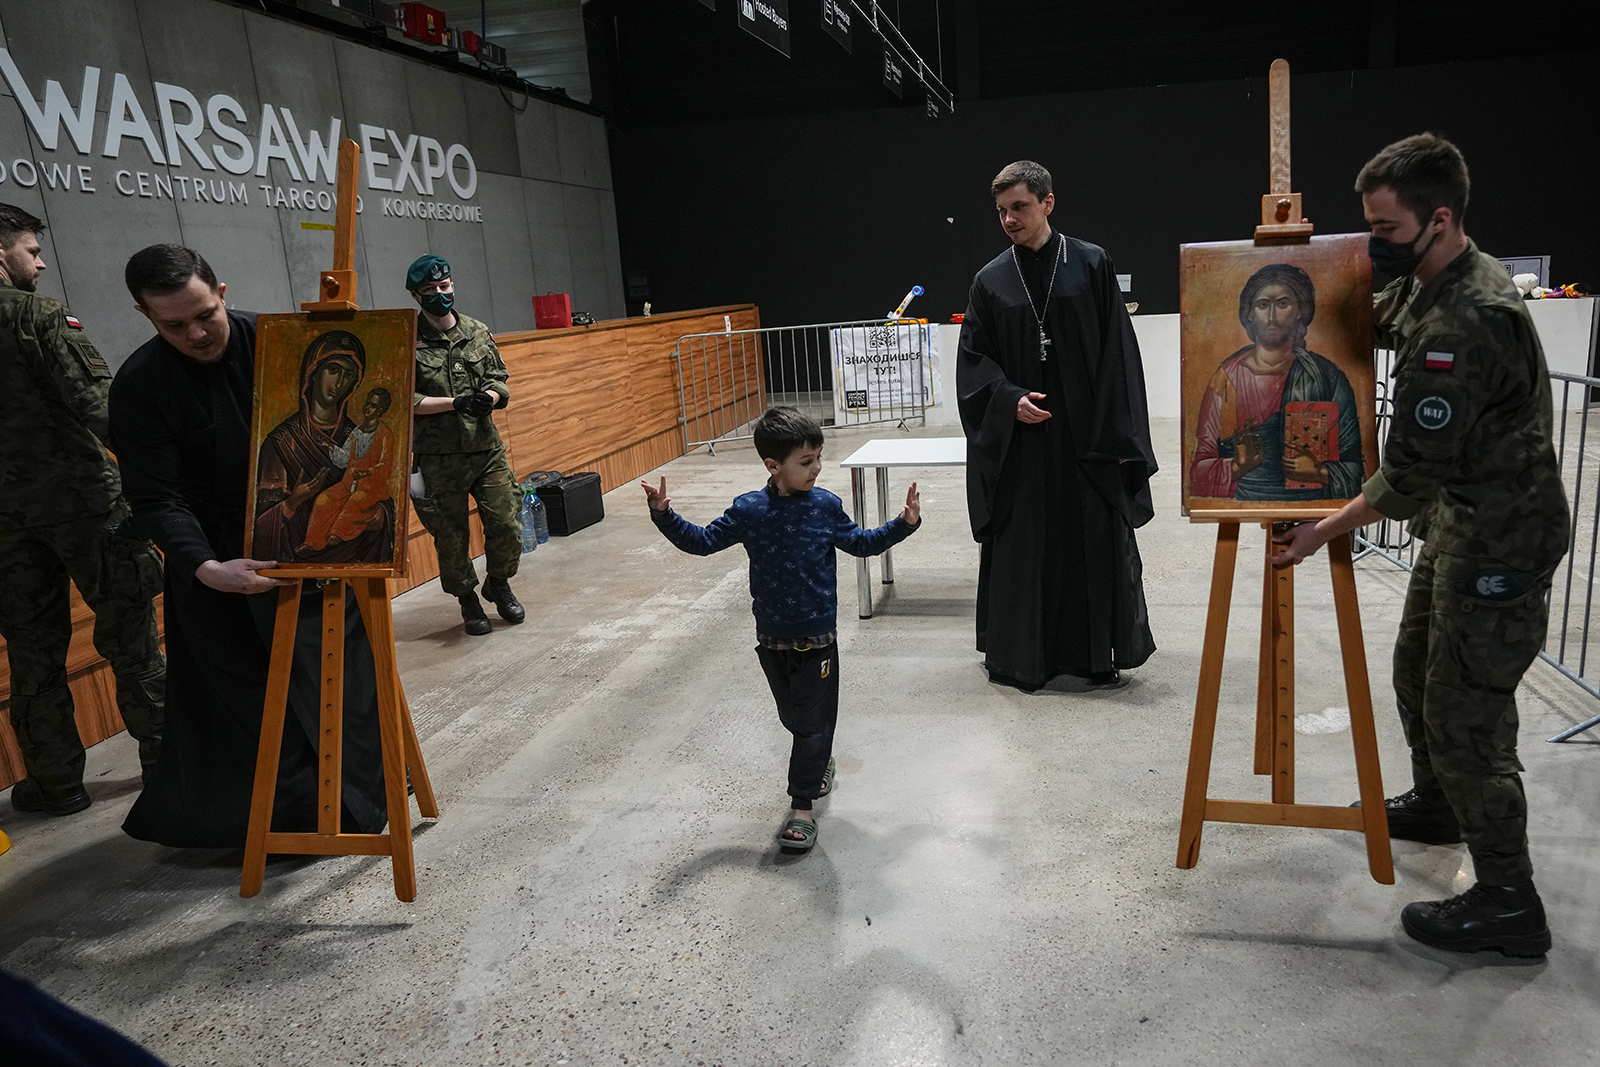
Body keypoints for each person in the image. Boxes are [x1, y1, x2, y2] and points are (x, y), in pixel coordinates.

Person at [1270, 134, 1569, 957]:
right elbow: (1371, 314)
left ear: (1440, 219)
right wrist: (1309, 263)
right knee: (1415, 671)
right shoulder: (1433, 284)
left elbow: (1406, 473)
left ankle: (1510, 901)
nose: (1376, 242)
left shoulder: (1467, 318)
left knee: (1468, 715)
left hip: (1501, 536)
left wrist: (1316, 534)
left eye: (1384, 228)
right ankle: (1439, 805)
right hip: (1462, 522)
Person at [109, 244, 388, 848]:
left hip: (313, 545)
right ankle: (277, 823)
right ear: (145, 316)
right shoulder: (140, 385)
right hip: (216, 559)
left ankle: (362, 797)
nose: (196, 333)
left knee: (339, 680)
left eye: (204, 314)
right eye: (174, 325)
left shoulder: (285, 349)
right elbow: (156, 497)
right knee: (243, 698)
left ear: (223, 292)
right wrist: (205, 567)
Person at [641, 407, 920, 850]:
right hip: (771, 638)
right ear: (773, 466)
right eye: (805, 461)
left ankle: (801, 808)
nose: (816, 468)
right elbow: (701, 543)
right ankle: (819, 757)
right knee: (795, 720)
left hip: (818, 639)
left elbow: (861, 544)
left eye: (818, 458)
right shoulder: (750, 510)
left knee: (810, 725)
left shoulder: (825, 506)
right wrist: (663, 514)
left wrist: (903, 525)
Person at [956, 160, 1157, 691]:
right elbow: (974, 362)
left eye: (1018, 207)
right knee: (1026, 547)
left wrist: (1118, 433)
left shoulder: (1090, 263)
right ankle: (1023, 658)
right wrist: (1009, 400)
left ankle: (1092, 656)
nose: (1009, 220)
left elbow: (1118, 352)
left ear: (1047, 203)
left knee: (1088, 541)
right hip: (1023, 444)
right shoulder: (990, 280)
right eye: (1001, 211)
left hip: (1084, 440)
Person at [0, 202, 165, 816]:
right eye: (31, 250)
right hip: (86, 507)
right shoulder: (38, 318)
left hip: (6, 524)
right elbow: (104, 412)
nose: (40, 263)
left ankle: (57, 782)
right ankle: (166, 761)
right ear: (1, 254)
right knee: (131, 636)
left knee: (32, 649)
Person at [406, 254, 524, 637]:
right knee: (450, 537)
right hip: (438, 458)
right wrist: (455, 403)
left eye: (445, 286)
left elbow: (500, 378)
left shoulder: (476, 331)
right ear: (416, 295)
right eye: (430, 290)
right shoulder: (408, 340)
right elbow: (405, 400)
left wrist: (489, 397)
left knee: (506, 522)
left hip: (485, 449)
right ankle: (468, 600)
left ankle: (499, 583)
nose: (440, 294)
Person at [1190, 264, 1363, 500]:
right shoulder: (1228, 378)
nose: (1271, 317)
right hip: (1245, 499)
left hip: (1312, 503)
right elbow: (1198, 472)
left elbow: (1357, 471)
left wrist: (1319, 472)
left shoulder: (1328, 378)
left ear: (1300, 310)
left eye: (1282, 304)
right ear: (1249, 312)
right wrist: (1238, 466)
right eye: (1262, 305)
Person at [253, 331, 395, 565]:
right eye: (333, 370)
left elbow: (386, 483)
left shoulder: (357, 431)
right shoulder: (281, 442)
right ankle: (315, 540)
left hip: (355, 553)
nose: (339, 383)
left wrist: (381, 515)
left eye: (348, 375)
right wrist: (292, 502)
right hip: (295, 565)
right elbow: (261, 526)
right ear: (312, 373)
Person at [302, 387, 398, 554]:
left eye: (373, 406)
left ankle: (337, 533)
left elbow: (386, 464)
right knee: (323, 499)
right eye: (367, 404)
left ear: (380, 411)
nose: (368, 408)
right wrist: (329, 445)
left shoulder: (385, 434)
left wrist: (367, 472)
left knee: (356, 500)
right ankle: (312, 542)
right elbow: (344, 459)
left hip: (371, 487)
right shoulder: (356, 432)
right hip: (348, 483)